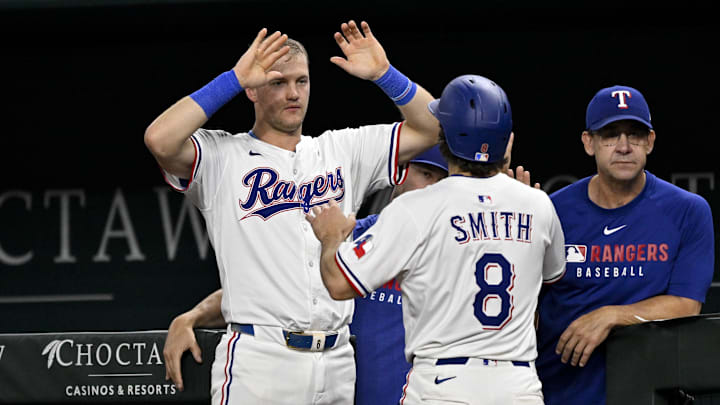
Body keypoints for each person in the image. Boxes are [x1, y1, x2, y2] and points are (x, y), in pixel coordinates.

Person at [144, 20, 439, 405]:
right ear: (252, 90)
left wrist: (385, 75)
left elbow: (433, 128)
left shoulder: (342, 150)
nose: (293, 94)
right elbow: (159, 139)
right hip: (261, 359)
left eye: (301, 82)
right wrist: (233, 79)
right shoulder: (223, 157)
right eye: (278, 83)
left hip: (336, 361)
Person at [305, 74, 567, 405]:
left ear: (443, 139)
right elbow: (552, 277)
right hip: (517, 385)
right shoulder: (538, 204)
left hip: (444, 383)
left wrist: (331, 239)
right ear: (507, 141)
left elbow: (340, 285)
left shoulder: (416, 207)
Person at [162, 146, 449, 404]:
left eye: (443, 180)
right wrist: (191, 317)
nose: (432, 187)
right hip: (341, 393)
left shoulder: (460, 254)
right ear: (399, 175)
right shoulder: (349, 236)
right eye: (425, 173)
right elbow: (273, 288)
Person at [535, 85, 715, 405]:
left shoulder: (688, 210)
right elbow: (526, 306)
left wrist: (612, 315)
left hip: (645, 392)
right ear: (588, 143)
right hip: (560, 390)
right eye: (610, 134)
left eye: (634, 134)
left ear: (650, 141)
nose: (623, 146)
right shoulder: (551, 210)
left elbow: (687, 304)